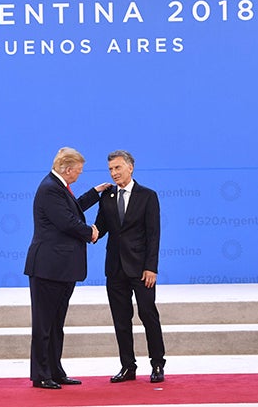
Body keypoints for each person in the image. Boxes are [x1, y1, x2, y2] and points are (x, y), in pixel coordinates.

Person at [24, 147, 111, 389]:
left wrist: (95, 193)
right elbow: (66, 221)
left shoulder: (58, 187)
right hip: (48, 268)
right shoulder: (50, 188)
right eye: (79, 171)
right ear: (68, 169)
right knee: (44, 324)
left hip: (60, 269)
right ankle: (41, 374)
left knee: (55, 324)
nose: (80, 175)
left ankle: (55, 370)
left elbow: (72, 209)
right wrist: (90, 232)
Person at [94, 150, 166, 383]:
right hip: (115, 268)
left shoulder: (148, 196)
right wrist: (81, 231)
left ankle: (157, 364)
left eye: (117, 168)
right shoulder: (107, 197)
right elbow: (99, 228)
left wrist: (151, 267)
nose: (114, 173)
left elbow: (153, 235)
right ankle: (128, 366)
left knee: (148, 315)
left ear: (130, 167)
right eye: (110, 169)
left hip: (141, 269)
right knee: (121, 319)